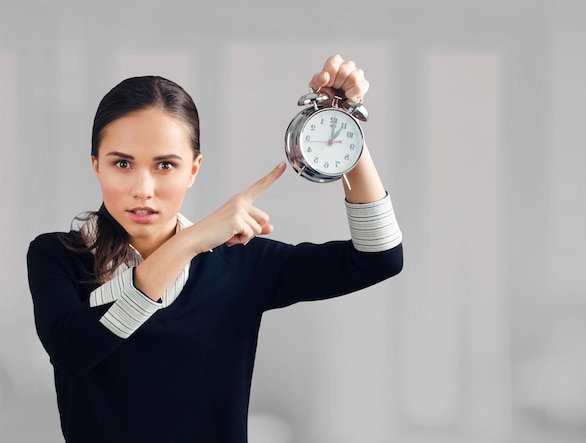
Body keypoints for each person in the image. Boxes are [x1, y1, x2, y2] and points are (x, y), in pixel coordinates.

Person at [26, 54, 403, 443]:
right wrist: (191, 242)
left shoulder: (240, 265)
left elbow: (380, 257)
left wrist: (344, 126)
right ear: (96, 165)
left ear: (193, 168)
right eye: (122, 164)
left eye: (165, 165)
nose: (143, 189)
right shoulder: (58, 255)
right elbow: (73, 350)